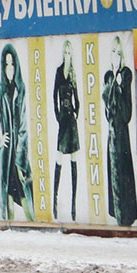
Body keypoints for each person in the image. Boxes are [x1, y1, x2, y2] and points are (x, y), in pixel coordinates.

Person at [0, 45, 33, 221]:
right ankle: (8, 229)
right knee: (8, 193)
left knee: (24, 193)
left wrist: (19, 160)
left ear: (16, 67)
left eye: (12, 64)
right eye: (6, 64)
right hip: (6, 153)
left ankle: (33, 225)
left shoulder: (21, 90)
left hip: (18, 153)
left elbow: (24, 126)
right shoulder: (0, 92)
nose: (9, 69)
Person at [103, 36, 136, 227]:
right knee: (114, 176)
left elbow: (126, 113)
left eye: (118, 52)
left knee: (123, 176)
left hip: (122, 136)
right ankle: (117, 215)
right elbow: (108, 112)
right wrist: (113, 83)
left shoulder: (126, 74)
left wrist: (120, 85)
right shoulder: (108, 76)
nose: (115, 56)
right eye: (112, 52)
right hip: (111, 135)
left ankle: (126, 218)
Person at [51, 39, 80, 220]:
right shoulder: (59, 72)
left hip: (72, 121)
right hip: (63, 121)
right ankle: (54, 199)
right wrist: (58, 115)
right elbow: (54, 96)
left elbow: (78, 99)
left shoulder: (73, 73)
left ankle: (74, 204)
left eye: (70, 52)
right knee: (59, 158)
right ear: (63, 54)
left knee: (74, 159)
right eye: (66, 52)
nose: (67, 55)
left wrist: (76, 112)